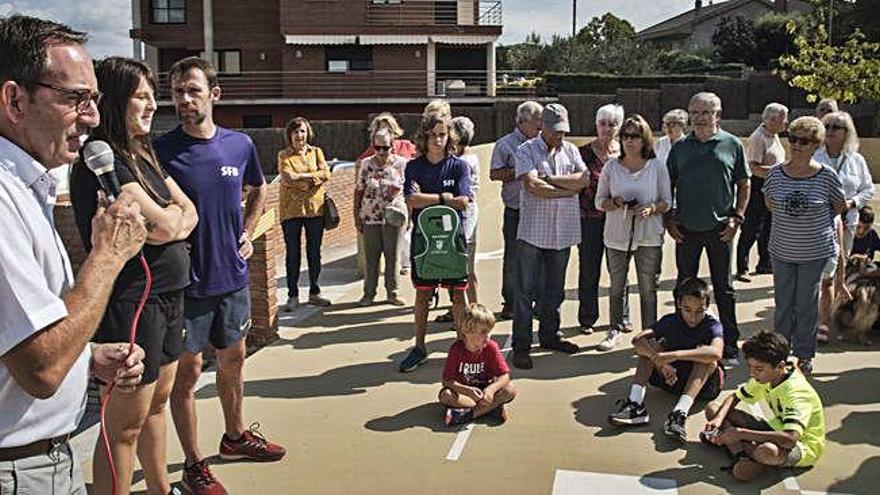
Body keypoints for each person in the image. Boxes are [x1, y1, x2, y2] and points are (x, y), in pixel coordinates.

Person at [0, 15, 146, 493]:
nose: (93, 117)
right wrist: (108, 256)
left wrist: (86, 357)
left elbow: (26, 339)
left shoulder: (28, 188)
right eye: (74, 98)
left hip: (44, 460)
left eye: (95, 99)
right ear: (15, 100)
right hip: (18, 471)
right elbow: (40, 369)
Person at [153, 56, 284, 495]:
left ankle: (234, 437)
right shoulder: (161, 150)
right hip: (186, 287)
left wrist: (247, 233)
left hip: (232, 278)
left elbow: (260, 187)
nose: (184, 99)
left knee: (233, 360)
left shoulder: (239, 145)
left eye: (192, 90)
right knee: (187, 376)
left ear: (215, 94)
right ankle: (193, 465)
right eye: (176, 92)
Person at [69, 57, 197, 495]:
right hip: (134, 302)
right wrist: (173, 222)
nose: (151, 105)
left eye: (150, 96)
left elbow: (187, 212)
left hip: (169, 296)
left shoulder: (143, 154)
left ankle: (161, 490)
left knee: (158, 404)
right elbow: (164, 225)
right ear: (116, 100)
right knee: (124, 425)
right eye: (140, 97)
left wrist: (173, 221)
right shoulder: (101, 158)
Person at [666, 92, 749, 366]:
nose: (700, 118)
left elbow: (744, 184)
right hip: (686, 230)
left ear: (718, 115)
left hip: (720, 229)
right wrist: (670, 219)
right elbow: (667, 186)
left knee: (724, 289)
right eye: (696, 112)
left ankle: (730, 345)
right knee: (683, 287)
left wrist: (737, 217)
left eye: (706, 112)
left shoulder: (732, 144)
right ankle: (680, 340)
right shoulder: (680, 148)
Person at [763, 116, 847, 375]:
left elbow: (839, 207)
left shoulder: (826, 176)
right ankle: (778, 353)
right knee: (784, 304)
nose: (796, 144)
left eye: (804, 140)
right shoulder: (776, 173)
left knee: (806, 305)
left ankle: (804, 354)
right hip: (782, 250)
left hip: (813, 252)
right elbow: (770, 203)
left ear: (816, 145)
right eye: (793, 138)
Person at [511, 103, 585, 370]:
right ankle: (521, 345)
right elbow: (532, 186)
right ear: (542, 126)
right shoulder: (526, 150)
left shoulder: (572, 150)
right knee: (525, 292)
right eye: (555, 131)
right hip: (532, 233)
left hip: (562, 232)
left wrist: (551, 180)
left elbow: (584, 179)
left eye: (563, 131)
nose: (559, 136)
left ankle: (549, 336)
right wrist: (566, 189)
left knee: (555, 291)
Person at [608, 278, 724, 442]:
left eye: (699, 311)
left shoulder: (712, 325)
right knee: (652, 347)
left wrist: (674, 355)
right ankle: (635, 405)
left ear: (707, 307)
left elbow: (716, 353)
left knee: (706, 358)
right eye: (687, 309)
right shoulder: (670, 321)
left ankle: (679, 414)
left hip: (704, 387)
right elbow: (638, 340)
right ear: (678, 304)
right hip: (671, 378)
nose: (692, 317)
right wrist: (661, 362)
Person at [399, 111, 471, 372]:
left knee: (458, 296)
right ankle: (419, 347)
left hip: (453, 240)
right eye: (433, 136)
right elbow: (412, 199)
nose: (438, 140)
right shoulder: (413, 167)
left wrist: (428, 197)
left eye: (442, 135)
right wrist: (444, 198)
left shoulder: (459, 166)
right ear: (424, 138)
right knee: (422, 295)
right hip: (424, 242)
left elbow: (464, 200)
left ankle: (463, 347)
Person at [703, 331, 825, 482]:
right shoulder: (767, 376)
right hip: (776, 429)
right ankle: (741, 453)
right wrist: (718, 420)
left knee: (767, 451)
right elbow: (735, 397)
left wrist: (740, 433)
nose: (752, 374)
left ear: (780, 366)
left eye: (759, 369)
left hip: (802, 445)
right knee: (713, 409)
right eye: (750, 367)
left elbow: (790, 439)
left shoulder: (797, 393)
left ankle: (739, 448)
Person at [594, 114, 671, 351]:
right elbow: (599, 202)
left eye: (635, 136)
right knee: (617, 285)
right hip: (616, 235)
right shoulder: (611, 167)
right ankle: (614, 330)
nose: (629, 141)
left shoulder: (657, 166)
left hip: (649, 235)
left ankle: (650, 335)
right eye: (625, 136)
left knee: (648, 287)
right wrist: (615, 202)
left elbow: (667, 201)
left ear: (644, 139)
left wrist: (651, 208)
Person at [814, 111, 875, 342]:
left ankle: (825, 321)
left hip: (846, 221)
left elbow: (868, 189)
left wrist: (852, 203)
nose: (830, 131)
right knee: (814, 271)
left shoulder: (855, 160)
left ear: (846, 132)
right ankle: (812, 318)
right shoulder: (815, 156)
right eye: (827, 126)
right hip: (816, 221)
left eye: (835, 128)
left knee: (834, 270)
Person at [578, 104, 631, 334]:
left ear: (619, 127)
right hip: (589, 220)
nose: (606, 128)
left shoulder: (626, 153)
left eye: (612, 124)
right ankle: (587, 318)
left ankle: (622, 317)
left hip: (618, 220)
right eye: (602, 123)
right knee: (589, 269)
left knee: (619, 270)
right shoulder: (583, 154)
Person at [489, 100, 543, 320]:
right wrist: (520, 171)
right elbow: (494, 173)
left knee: (540, 257)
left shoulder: (543, 143)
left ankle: (538, 303)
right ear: (523, 121)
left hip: (539, 209)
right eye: (537, 120)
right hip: (515, 209)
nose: (541, 125)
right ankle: (510, 303)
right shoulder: (505, 144)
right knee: (513, 258)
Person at [277, 117, 332, 311]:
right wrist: (312, 179)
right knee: (293, 254)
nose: (299, 135)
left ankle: (315, 292)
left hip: (314, 209)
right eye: (295, 132)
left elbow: (326, 173)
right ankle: (292, 295)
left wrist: (301, 178)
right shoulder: (284, 155)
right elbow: (286, 177)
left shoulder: (316, 152)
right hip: (291, 211)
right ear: (289, 135)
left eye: (302, 131)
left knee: (314, 253)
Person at [355, 112, 417, 277]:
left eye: (387, 128)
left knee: (403, 240)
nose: (382, 150)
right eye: (379, 128)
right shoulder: (371, 154)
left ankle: (405, 268)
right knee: (376, 253)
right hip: (375, 211)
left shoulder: (406, 146)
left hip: (400, 204)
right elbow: (360, 174)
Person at [735, 103, 788, 282]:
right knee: (752, 228)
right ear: (771, 120)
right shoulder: (758, 137)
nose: (786, 123)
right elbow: (754, 168)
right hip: (758, 186)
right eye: (783, 119)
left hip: (774, 186)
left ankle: (764, 263)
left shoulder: (774, 136)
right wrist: (779, 171)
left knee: (768, 228)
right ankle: (742, 267)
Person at [353, 127, 407, 306]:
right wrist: (356, 215)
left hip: (394, 217)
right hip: (370, 216)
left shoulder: (401, 164)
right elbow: (359, 190)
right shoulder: (366, 164)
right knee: (371, 258)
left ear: (392, 145)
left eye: (385, 147)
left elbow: (409, 192)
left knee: (393, 257)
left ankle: (393, 292)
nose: (382, 152)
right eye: (378, 148)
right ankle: (369, 294)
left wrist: (409, 217)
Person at [439, 303, 516, 426]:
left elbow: (504, 375)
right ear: (467, 331)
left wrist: (491, 390)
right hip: (467, 395)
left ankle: (466, 415)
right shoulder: (456, 349)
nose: (487, 336)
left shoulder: (491, 347)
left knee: (510, 390)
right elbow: (447, 380)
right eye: (483, 332)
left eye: (489, 332)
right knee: (446, 395)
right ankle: (492, 409)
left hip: (486, 392)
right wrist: (467, 390)